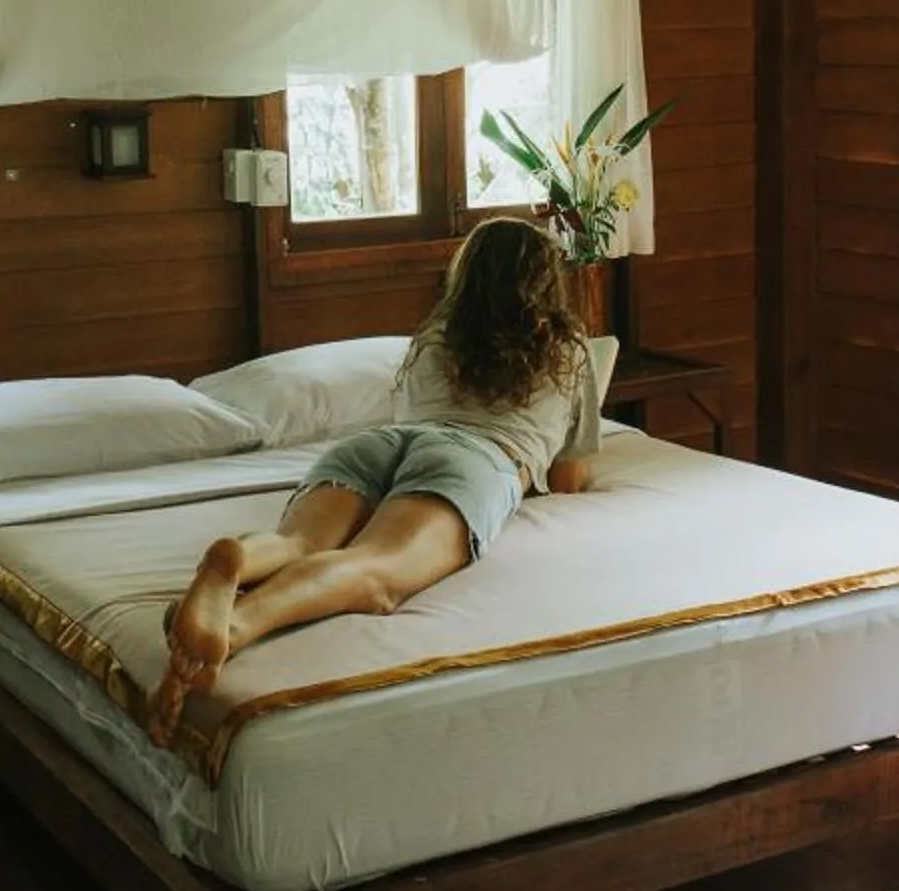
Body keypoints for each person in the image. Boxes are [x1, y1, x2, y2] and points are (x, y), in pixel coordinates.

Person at [152, 216, 602, 731]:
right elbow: (567, 479)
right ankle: (239, 623)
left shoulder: (435, 338)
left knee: (299, 542)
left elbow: (412, 428)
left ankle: (239, 556)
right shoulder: (568, 350)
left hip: (380, 445)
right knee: (375, 569)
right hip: (472, 460)